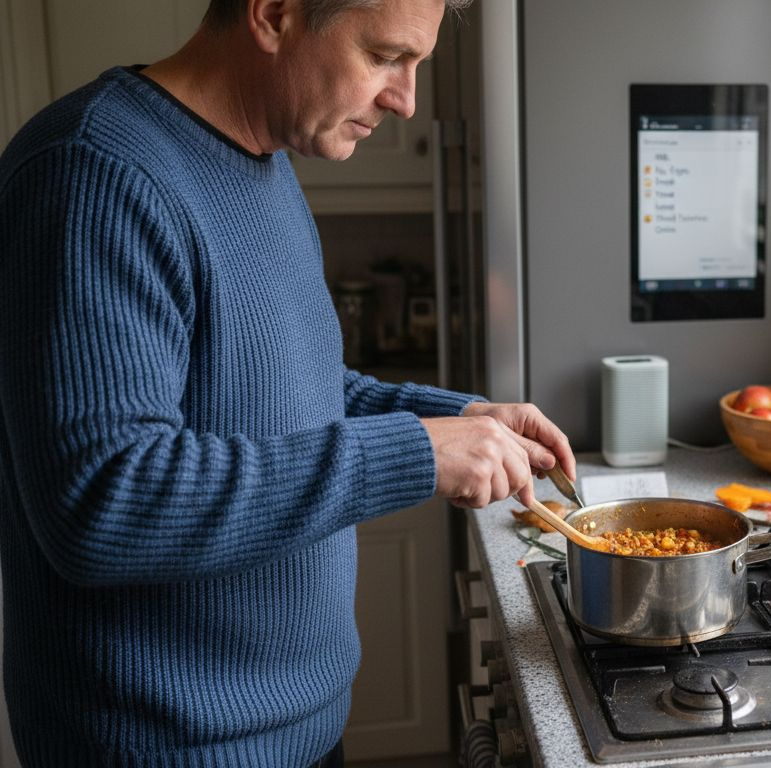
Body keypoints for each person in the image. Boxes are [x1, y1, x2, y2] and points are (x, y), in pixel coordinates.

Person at [0, 0, 573, 764]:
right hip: (166, 749)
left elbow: (292, 391)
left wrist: (465, 417)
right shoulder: (92, 172)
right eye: (384, 56)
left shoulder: (264, 162)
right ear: (274, 15)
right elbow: (103, 500)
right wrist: (417, 452)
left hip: (300, 731)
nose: (406, 100)